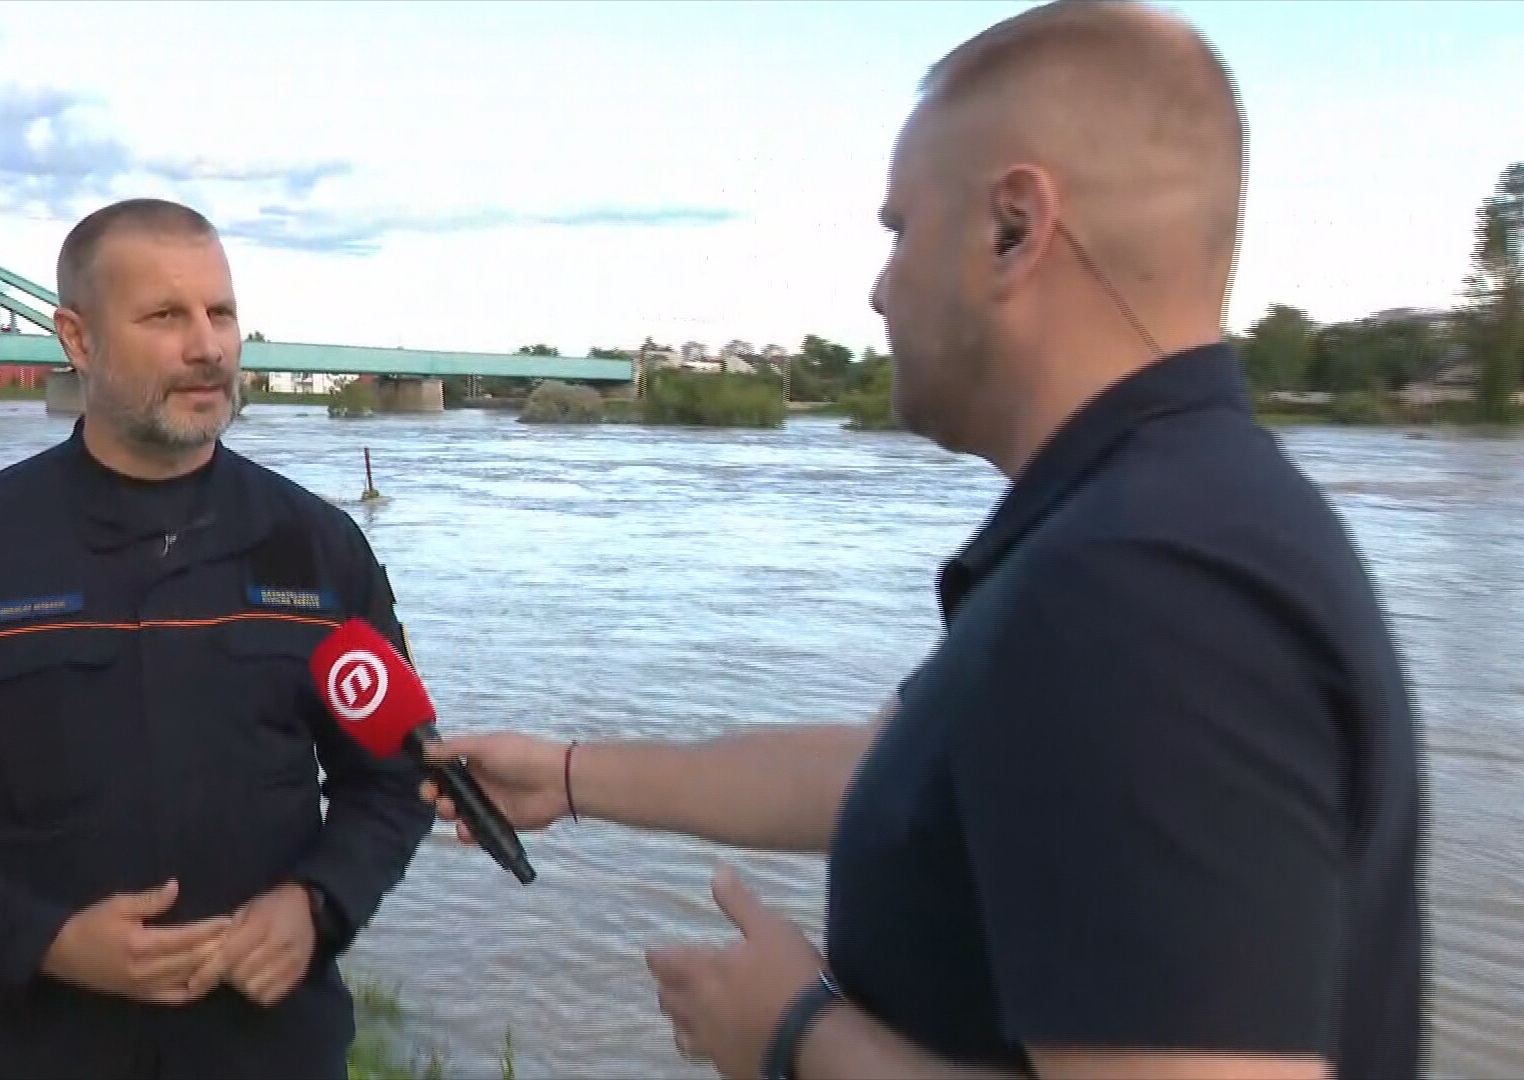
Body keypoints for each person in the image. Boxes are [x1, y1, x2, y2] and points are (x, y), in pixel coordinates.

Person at [423, 3, 1427, 1079]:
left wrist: (797, 1039)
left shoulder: (1139, 586)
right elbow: (899, 779)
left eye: (900, 230)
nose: (878, 287)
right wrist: (574, 777)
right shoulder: (1164, 519)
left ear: (1014, 229)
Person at [0, 198, 434, 1080]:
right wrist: (48, 943)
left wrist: (317, 904)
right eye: (164, 316)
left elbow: (399, 774)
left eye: (220, 313)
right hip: (33, 1051)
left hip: (270, 1050)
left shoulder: (319, 547)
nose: (208, 346)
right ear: (77, 339)